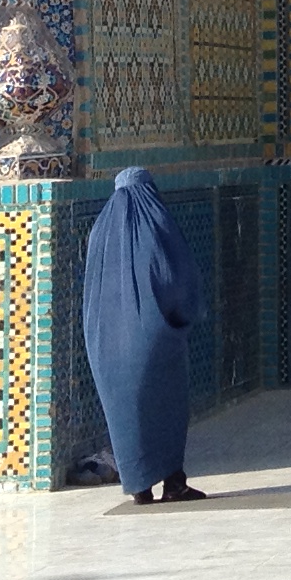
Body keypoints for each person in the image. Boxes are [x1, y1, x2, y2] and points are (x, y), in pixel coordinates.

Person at [84, 170, 207, 504]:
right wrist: (184, 317)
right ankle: (173, 484)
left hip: (105, 345)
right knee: (164, 410)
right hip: (155, 340)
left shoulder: (100, 231)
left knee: (126, 414)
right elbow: (173, 277)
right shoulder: (156, 226)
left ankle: (139, 486)